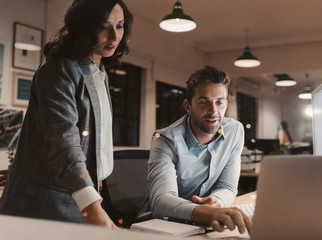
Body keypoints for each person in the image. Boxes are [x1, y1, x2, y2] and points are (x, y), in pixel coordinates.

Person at [0, 0, 133, 229]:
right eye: (104, 26)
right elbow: (65, 141)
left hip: (84, 197)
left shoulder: (100, 72)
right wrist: (91, 205)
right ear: (85, 27)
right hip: (45, 203)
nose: (114, 35)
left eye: (120, 26)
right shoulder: (60, 67)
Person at [139, 66, 252, 234]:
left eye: (219, 102)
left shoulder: (235, 131)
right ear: (188, 106)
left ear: (226, 104)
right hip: (160, 226)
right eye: (203, 102)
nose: (214, 111)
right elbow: (161, 202)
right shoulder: (165, 140)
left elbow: (228, 187)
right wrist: (207, 213)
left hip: (201, 225)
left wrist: (217, 201)